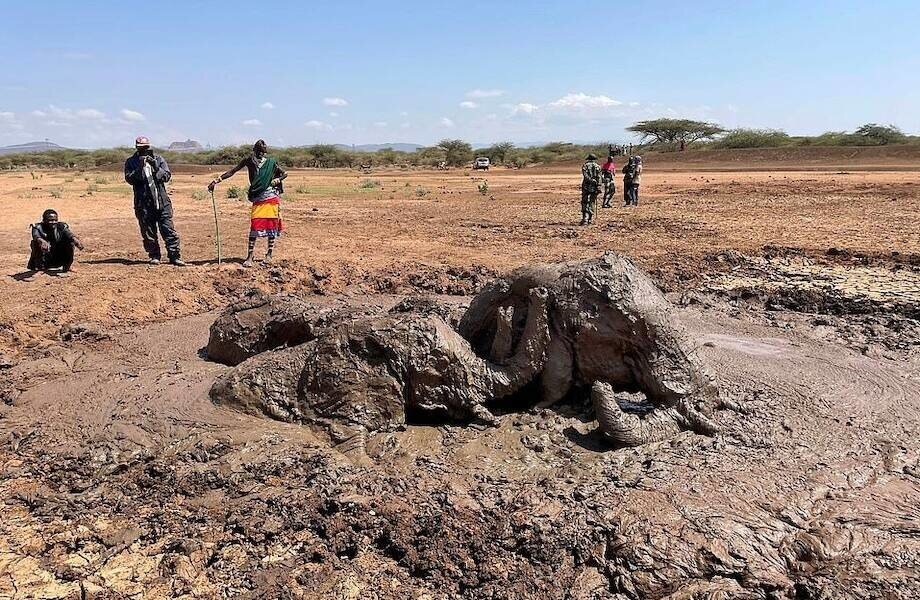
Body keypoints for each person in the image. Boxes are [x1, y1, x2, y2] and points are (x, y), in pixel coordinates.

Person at [208, 140, 287, 267]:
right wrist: (216, 181)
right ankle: (250, 255)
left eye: (263, 152)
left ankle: (269, 253)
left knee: (272, 224)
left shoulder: (271, 162)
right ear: (254, 150)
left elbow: (285, 174)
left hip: (271, 196)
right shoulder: (249, 160)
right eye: (259, 152)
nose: (261, 154)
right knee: (255, 225)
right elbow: (232, 171)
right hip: (257, 197)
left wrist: (278, 179)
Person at [124, 136, 184, 265]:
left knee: (168, 229)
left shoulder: (158, 159)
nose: (144, 150)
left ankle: (175, 256)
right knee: (148, 232)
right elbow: (130, 179)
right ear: (136, 148)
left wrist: (155, 167)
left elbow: (166, 176)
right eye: (141, 148)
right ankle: (154, 256)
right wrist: (140, 167)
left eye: (146, 147)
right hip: (143, 204)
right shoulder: (131, 162)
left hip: (161, 202)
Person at [27, 209, 84, 273]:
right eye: (50, 220)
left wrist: (75, 240)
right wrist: (42, 241)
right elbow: (36, 236)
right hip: (45, 257)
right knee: (35, 243)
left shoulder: (62, 226)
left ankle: (67, 267)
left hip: (57, 256)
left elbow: (69, 234)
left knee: (70, 242)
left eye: (55, 220)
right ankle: (40, 269)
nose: (53, 222)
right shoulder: (37, 227)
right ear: (44, 220)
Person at [580, 153, 601, 225]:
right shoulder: (598, 166)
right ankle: (589, 219)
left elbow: (585, 175)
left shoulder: (585, 165)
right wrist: (598, 186)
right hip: (594, 187)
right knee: (592, 202)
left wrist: (590, 180)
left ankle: (585, 218)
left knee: (585, 201)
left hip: (586, 186)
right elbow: (600, 177)